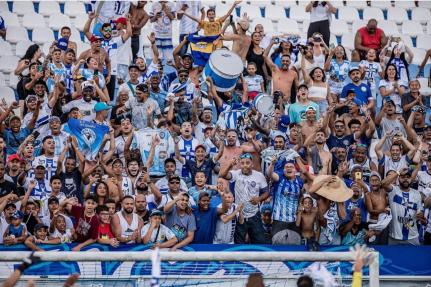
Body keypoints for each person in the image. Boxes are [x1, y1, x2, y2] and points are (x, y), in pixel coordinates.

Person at [220, 153, 269, 244]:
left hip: (254, 215)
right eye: (242, 163)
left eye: (247, 163)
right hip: (239, 215)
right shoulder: (236, 173)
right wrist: (230, 165)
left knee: (259, 242)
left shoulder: (259, 176)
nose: (245, 165)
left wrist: (258, 199)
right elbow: (222, 174)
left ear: (252, 164)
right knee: (239, 244)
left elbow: (266, 192)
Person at [387, 168, 425, 245]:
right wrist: (398, 172)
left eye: (408, 177)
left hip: (412, 237)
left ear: (411, 179)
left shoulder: (417, 194)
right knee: (391, 257)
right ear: (398, 178)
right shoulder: (393, 190)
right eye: (403, 177)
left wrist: (420, 215)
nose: (405, 179)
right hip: (394, 237)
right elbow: (383, 183)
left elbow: (419, 211)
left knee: (415, 257)